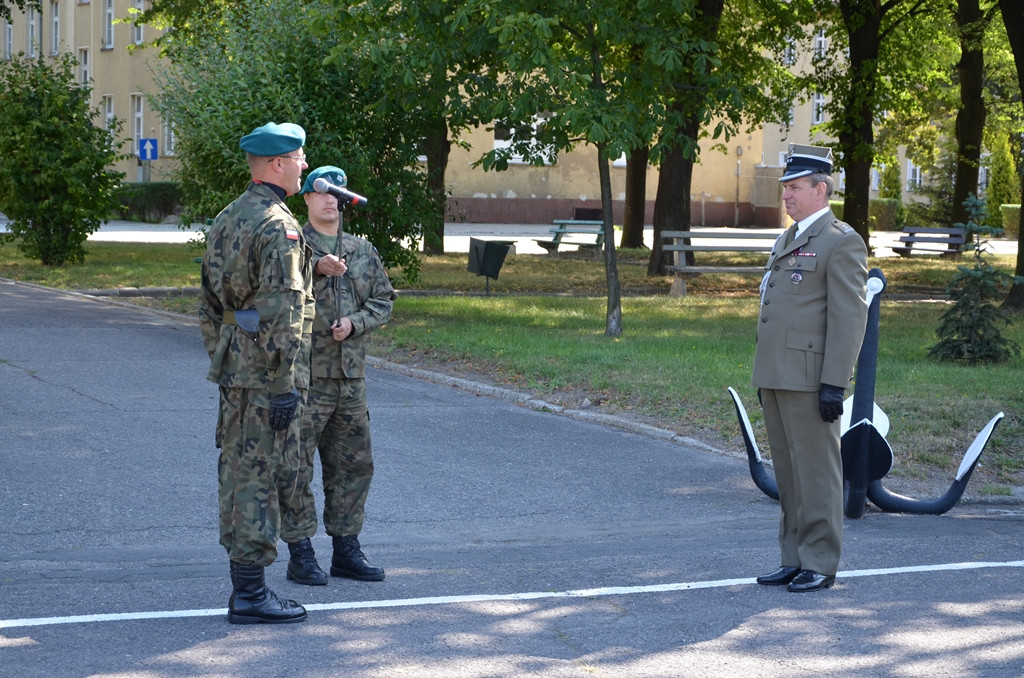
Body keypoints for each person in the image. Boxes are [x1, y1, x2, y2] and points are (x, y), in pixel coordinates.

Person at [198, 121, 316, 623]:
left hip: (237, 369)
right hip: (268, 376)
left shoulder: (228, 217)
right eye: (299, 158)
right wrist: (284, 383)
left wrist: (225, 353)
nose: (305, 166)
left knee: (239, 471)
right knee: (260, 478)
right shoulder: (278, 225)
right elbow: (285, 314)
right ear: (277, 164)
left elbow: (207, 303)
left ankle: (246, 587)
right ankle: (249, 594)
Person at [752, 144, 868, 593]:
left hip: (810, 379)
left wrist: (834, 384)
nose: (786, 195)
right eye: (785, 187)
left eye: (795, 187)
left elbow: (848, 318)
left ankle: (820, 561)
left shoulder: (841, 241)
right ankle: (793, 556)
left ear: (821, 190)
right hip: (777, 375)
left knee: (817, 472)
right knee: (789, 472)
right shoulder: (789, 237)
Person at [279, 165, 396, 586]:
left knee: (353, 466)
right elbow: (272, 293)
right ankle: (301, 552)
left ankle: (347, 549)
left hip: (350, 378)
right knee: (295, 466)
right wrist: (313, 269)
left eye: (338, 195)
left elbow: (384, 300)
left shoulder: (361, 250)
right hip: (304, 377)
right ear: (306, 198)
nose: (331, 200)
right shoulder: (292, 244)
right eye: (321, 192)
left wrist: (356, 323)